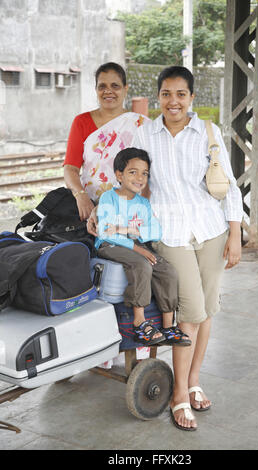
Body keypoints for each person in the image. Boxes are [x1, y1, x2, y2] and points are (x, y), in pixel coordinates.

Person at [128, 66, 243, 431]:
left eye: (180, 94)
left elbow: (228, 183)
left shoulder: (208, 132)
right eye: (166, 94)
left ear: (192, 97)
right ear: (158, 97)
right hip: (171, 234)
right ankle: (178, 395)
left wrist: (235, 233)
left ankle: (193, 380)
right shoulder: (146, 134)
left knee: (207, 310)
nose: (173, 101)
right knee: (190, 311)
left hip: (210, 230)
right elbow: (133, 180)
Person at [95, 147, 191, 347]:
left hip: (134, 244)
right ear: (119, 174)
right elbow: (106, 232)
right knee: (142, 265)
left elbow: (155, 232)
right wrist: (136, 245)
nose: (140, 177)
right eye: (133, 172)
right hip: (109, 244)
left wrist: (127, 229)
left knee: (167, 270)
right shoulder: (108, 198)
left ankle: (167, 326)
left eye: (144, 173)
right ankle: (140, 323)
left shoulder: (143, 203)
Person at [63, 62, 149, 219]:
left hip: (131, 208)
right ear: (96, 90)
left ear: (125, 89)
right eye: (102, 86)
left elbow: (152, 172)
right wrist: (80, 195)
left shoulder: (140, 124)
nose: (108, 91)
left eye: (115, 86)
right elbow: (70, 168)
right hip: (91, 207)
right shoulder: (82, 122)